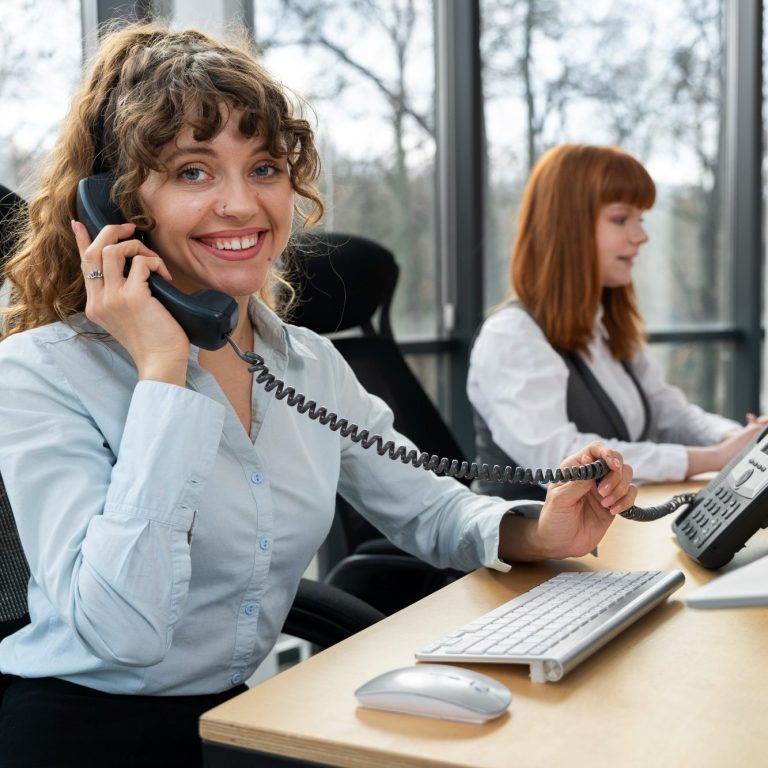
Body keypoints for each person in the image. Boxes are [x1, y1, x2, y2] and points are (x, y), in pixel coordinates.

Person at [0, 26, 635, 767]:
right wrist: (162, 372)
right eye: (193, 172)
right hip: (81, 738)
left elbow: (430, 506)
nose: (241, 204)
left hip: (248, 718)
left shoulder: (307, 365)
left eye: (263, 166)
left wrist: (540, 531)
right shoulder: (38, 372)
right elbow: (123, 632)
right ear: (116, 207)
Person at [468, 143, 765, 501]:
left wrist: (742, 439)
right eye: (622, 219)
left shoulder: (605, 327)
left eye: (641, 219)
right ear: (567, 227)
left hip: (605, 540)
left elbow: (669, 412)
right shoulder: (511, 336)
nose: (641, 236)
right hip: (528, 551)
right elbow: (563, 461)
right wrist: (714, 458)